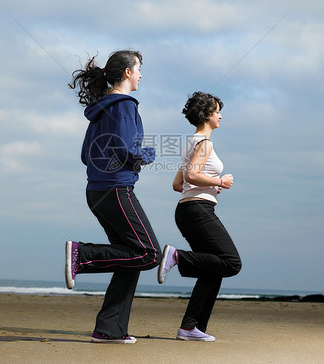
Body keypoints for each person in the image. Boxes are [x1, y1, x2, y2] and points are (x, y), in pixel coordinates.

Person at [66, 50, 161, 344]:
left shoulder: (102, 108)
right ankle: (83, 254)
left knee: (128, 257)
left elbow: (85, 155)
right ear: (128, 73)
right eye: (139, 69)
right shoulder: (125, 105)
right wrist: (146, 155)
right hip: (116, 190)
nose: (141, 75)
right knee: (149, 253)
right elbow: (126, 150)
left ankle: (109, 329)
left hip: (96, 191)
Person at [158, 91, 242, 342]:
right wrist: (220, 181)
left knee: (212, 269)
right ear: (206, 115)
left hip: (188, 209)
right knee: (231, 262)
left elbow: (178, 183)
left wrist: (209, 186)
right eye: (217, 111)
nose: (221, 116)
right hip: (197, 210)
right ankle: (177, 256)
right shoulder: (205, 143)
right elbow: (192, 177)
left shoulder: (190, 144)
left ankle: (190, 327)